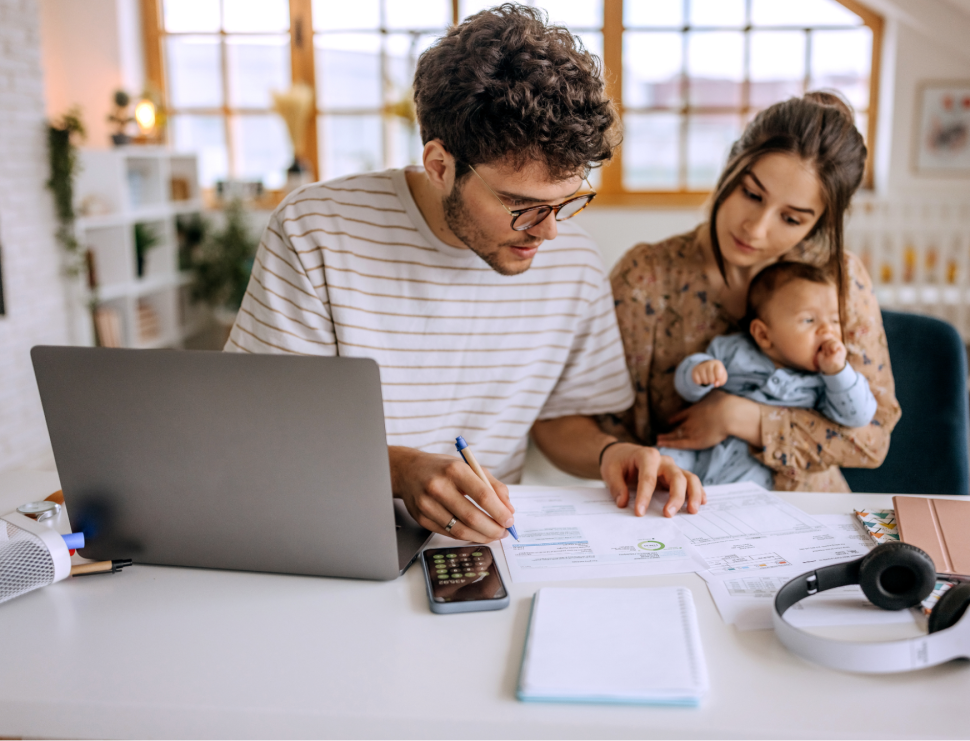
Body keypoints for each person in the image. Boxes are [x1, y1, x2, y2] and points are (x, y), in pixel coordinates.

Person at [224, 4, 705, 544]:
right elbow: (263, 431)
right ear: (439, 165)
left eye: (566, 202)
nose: (547, 233)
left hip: (488, 545)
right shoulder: (317, 230)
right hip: (332, 530)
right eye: (521, 204)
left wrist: (612, 453)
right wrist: (402, 471)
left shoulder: (573, 260)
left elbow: (558, 420)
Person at [602, 91, 902, 499]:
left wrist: (741, 416)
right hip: (677, 506)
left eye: (791, 218)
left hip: (808, 515)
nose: (756, 228)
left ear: (817, 225)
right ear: (730, 165)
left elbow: (872, 440)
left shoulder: (840, 278)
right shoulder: (646, 277)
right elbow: (601, 430)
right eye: (752, 194)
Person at [659, 261, 878, 488]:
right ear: (763, 335)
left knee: (745, 493)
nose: (827, 330)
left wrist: (838, 372)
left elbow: (858, 416)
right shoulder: (734, 350)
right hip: (700, 449)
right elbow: (686, 390)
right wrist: (698, 372)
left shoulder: (825, 382)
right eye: (809, 320)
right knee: (662, 461)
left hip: (753, 463)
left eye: (835, 320)